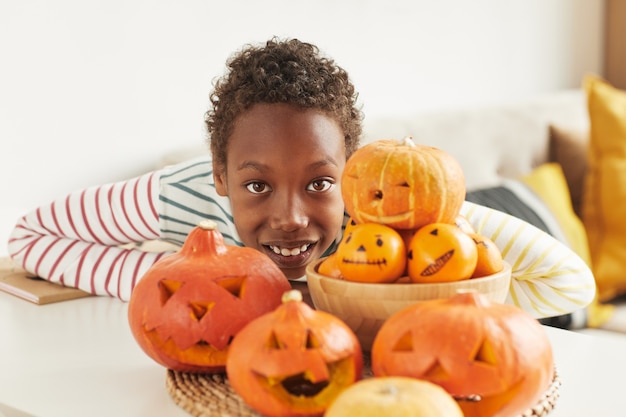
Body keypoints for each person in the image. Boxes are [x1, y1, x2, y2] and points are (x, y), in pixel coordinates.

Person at [7, 37, 595, 319]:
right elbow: (28, 238)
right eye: (257, 186)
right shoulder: (179, 194)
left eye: (320, 183)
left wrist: (422, 293)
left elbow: (572, 285)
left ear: (356, 174)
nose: (289, 217)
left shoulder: (391, 213)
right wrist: (175, 281)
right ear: (219, 176)